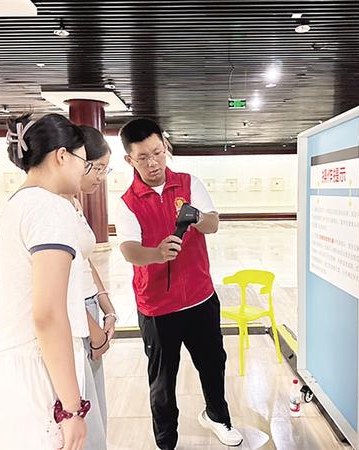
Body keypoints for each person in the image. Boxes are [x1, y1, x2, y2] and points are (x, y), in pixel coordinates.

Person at [115, 118, 243, 450]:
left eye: (158, 152)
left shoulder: (189, 183)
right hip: (157, 307)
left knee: (213, 365)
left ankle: (217, 416)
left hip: (201, 298)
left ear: (166, 147)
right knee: (162, 381)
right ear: (129, 159)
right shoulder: (127, 202)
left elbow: (213, 224)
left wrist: (196, 216)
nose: (153, 162)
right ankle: (166, 441)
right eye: (143, 157)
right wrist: (156, 254)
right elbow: (128, 250)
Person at [0, 113, 91, 450]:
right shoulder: (50, 208)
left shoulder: (20, 203)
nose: (84, 171)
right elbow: (48, 315)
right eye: (83, 161)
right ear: (62, 156)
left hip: (7, 376)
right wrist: (72, 409)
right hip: (35, 383)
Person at [63, 125, 118, 449]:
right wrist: (94, 330)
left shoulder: (74, 202)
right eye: (97, 168)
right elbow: (60, 286)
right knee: (83, 412)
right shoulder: (52, 209)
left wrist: (105, 303)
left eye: (104, 169)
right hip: (75, 315)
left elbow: (83, 261)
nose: (100, 177)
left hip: (88, 306)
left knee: (96, 405)